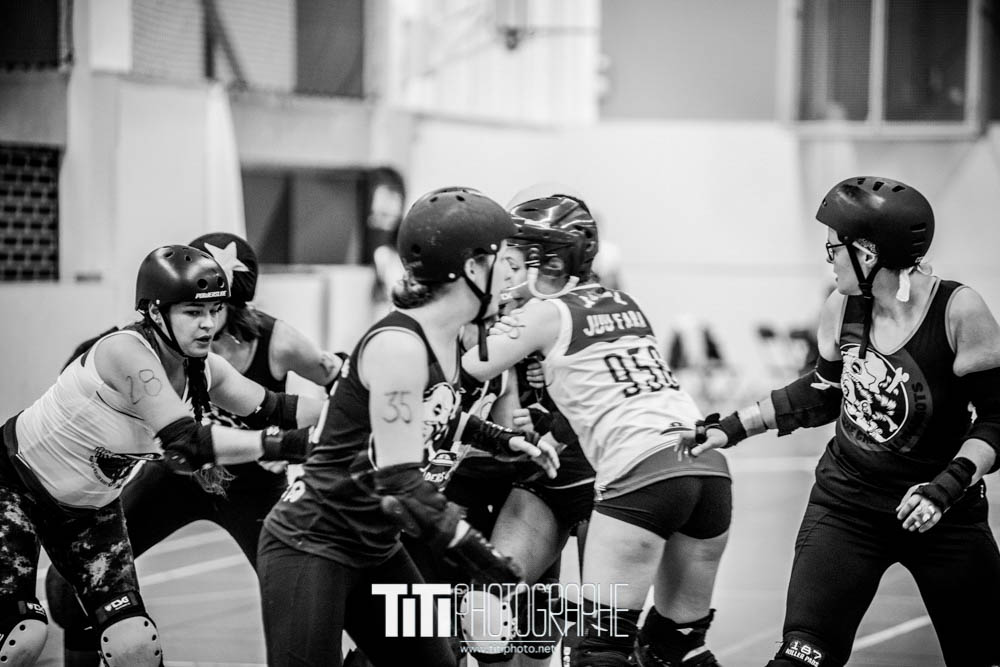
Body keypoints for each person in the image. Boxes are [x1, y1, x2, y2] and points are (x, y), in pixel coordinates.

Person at [685, 176, 1000, 667]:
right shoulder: (842, 308)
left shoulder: (959, 311)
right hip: (847, 508)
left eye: (834, 248)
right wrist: (729, 426)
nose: (828, 258)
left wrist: (945, 488)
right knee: (801, 659)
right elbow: (820, 393)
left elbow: (997, 421)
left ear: (868, 253)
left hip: (943, 512)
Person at [257, 186, 560, 667]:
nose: (511, 275)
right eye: (503, 260)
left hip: (375, 544)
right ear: (471, 267)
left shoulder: (448, 342)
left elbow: (439, 418)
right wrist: (476, 553)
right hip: (313, 541)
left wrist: (504, 441)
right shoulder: (400, 344)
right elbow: (399, 479)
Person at [0, 244, 322, 666]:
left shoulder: (202, 369)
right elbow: (188, 444)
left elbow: (278, 407)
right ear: (154, 312)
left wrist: (361, 409)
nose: (208, 325)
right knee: (21, 637)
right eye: (192, 312)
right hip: (14, 488)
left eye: (214, 311)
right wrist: (288, 445)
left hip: (89, 511)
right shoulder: (125, 352)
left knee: (134, 644)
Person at [463, 192, 732, 667]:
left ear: (542, 261)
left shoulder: (540, 314)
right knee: (673, 643)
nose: (503, 267)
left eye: (513, 256)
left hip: (620, 479)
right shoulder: (622, 302)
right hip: (689, 459)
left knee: (599, 643)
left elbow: (462, 365)